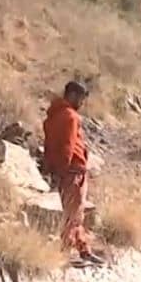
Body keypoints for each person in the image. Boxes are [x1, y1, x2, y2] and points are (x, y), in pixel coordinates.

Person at [43, 81, 103, 266]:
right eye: (81, 98)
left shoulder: (53, 116)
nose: (82, 103)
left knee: (76, 214)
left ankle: (83, 249)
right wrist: (63, 170)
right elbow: (67, 147)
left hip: (64, 170)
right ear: (73, 95)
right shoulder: (70, 117)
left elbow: (51, 144)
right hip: (72, 171)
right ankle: (66, 253)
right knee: (73, 215)